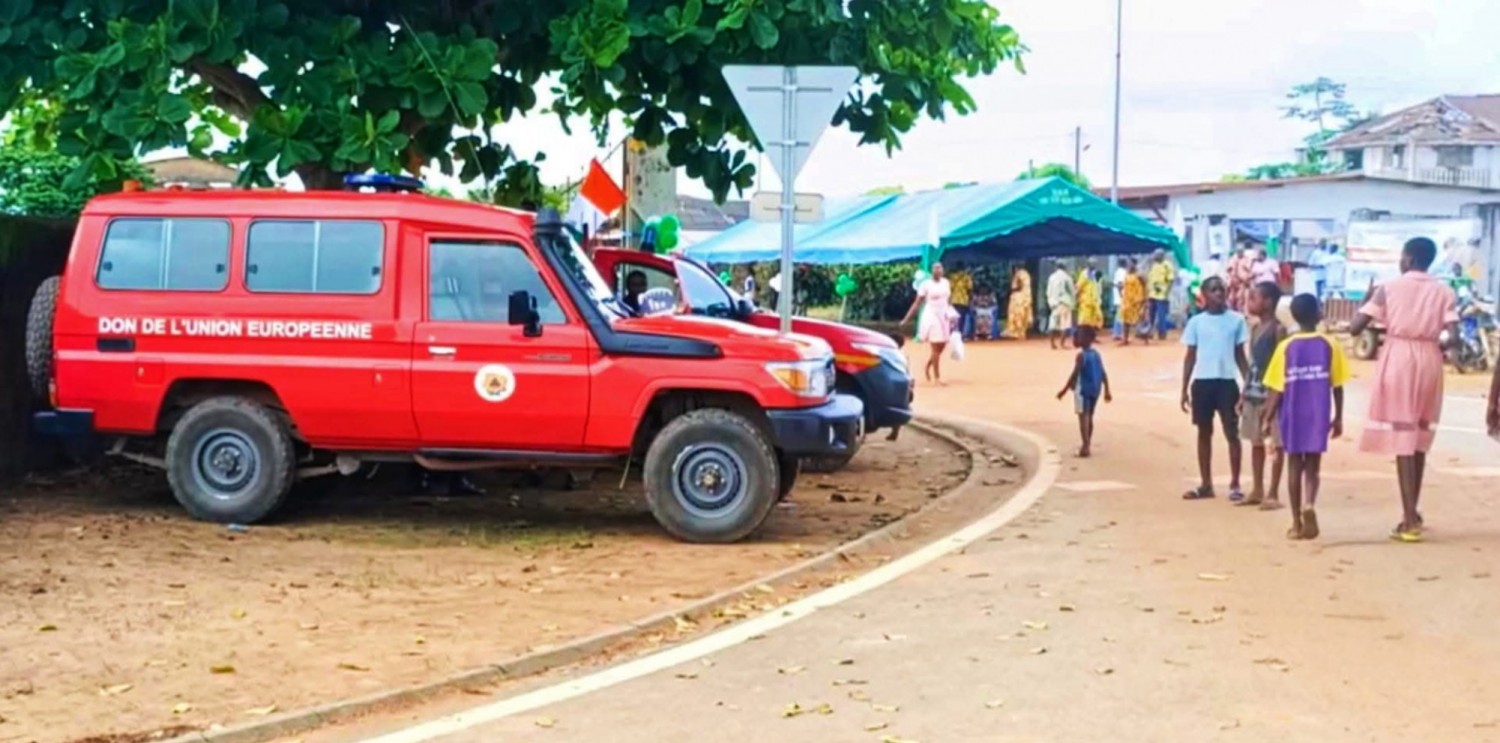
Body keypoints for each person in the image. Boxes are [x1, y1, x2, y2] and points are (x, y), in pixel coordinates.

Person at [1349, 237, 1459, 543]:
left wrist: (1365, 300)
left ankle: (1409, 518)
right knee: (1419, 438)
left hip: (1399, 356)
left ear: (1408, 258)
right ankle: (1413, 510)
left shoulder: (1388, 288)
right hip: (1429, 359)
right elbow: (1454, 335)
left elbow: (1356, 327)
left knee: (1402, 438)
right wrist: (1437, 344)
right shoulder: (1444, 291)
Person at [1263, 294, 1347, 540]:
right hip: (1318, 411)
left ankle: (1296, 522)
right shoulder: (1330, 344)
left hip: (1292, 411)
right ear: (1319, 313)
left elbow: (1277, 389)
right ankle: (1310, 503)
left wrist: (1267, 417)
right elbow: (1337, 385)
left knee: (1293, 464)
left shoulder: (1286, 347)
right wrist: (1338, 416)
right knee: (1312, 465)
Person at [1180, 276, 1251, 501]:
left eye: (1222, 289)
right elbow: (1189, 357)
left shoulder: (1236, 321)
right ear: (1204, 294)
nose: (1219, 294)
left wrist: (1248, 384)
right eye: (1213, 290)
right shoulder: (1196, 322)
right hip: (1202, 382)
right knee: (1204, 433)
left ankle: (1235, 483)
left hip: (1227, 382)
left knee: (1232, 433)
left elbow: (1241, 356)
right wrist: (1183, 389)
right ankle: (1206, 484)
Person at [1239, 281, 1287, 510]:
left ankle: (1273, 492)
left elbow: (1282, 366)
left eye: (1253, 298)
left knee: (1275, 444)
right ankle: (1257, 488)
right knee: (1256, 442)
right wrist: (1244, 392)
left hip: (1271, 395)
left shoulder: (1278, 330)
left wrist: (1274, 398)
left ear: (1268, 302)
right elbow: (1252, 364)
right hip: (1253, 393)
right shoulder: (1255, 328)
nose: (1250, 303)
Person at [1056, 325, 1112, 457]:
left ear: (1086, 339)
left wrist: (1064, 391)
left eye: (1077, 336)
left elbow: (1074, 374)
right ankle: (1087, 443)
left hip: (1083, 390)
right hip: (1095, 389)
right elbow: (1103, 373)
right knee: (1089, 417)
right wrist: (1107, 390)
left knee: (1083, 418)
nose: (1074, 338)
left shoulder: (1081, 356)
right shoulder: (1096, 354)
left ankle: (1085, 446)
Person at [901, 261, 955, 386]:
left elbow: (949, 300)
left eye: (940, 268)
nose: (938, 270)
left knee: (942, 345)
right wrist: (906, 319)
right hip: (931, 316)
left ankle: (929, 365)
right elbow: (917, 303)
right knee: (936, 346)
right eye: (935, 268)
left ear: (943, 270)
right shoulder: (926, 285)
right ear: (932, 271)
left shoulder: (946, 283)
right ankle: (937, 377)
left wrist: (952, 314)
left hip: (944, 315)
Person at [1046, 261, 1076, 349]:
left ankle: (1052, 344)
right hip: (1064, 302)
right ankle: (1062, 344)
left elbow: (1048, 291)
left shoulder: (1051, 277)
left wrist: (1050, 301)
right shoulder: (1067, 277)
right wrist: (1073, 302)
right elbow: (1072, 291)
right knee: (1064, 323)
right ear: (1065, 267)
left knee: (1053, 323)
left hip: (1053, 303)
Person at [1148, 249, 1175, 340]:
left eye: (1156, 255)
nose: (1154, 256)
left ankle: (1162, 333)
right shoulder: (1154, 265)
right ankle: (1149, 332)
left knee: (1161, 315)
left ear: (1161, 255)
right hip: (1152, 294)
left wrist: (1167, 293)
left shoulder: (1167, 265)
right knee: (1151, 314)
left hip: (1162, 294)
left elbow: (1171, 280)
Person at [1119, 259, 1147, 345]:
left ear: (1135, 265)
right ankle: (1125, 339)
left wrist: (1145, 300)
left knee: (1139, 320)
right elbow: (1124, 287)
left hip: (1137, 301)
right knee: (1125, 321)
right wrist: (1120, 290)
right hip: (1127, 302)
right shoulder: (1127, 275)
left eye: (1130, 264)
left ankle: (1145, 338)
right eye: (1127, 264)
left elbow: (1145, 286)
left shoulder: (1139, 275)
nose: (1128, 266)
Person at [1006, 264, 1034, 340]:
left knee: (1017, 315)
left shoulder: (1018, 274)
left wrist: (1012, 290)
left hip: (1019, 297)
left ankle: (1016, 333)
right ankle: (1022, 333)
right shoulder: (1026, 274)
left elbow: (1018, 286)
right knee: (1024, 315)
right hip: (1026, 297)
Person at [1076, 260, 1104, 330]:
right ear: (1088, 265)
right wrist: (1076, 297)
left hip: (1094, 301)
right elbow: (1079, 287)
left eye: (1094, 264)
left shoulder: (1095, 274)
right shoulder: (1084, 274)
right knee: (1084, 320)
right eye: (1092, 264)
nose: (1094, 265)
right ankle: (1082, 337)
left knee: (1095, 319)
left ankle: (1092, 337)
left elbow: (1097, 286)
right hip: (1086, 301)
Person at [950, 263, 974, 340]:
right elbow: (970, 289)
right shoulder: (966, 277)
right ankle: (959, 334)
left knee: (953, 318)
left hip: (953, 300)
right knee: (962, 318)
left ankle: (952, 333)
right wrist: (971, 299)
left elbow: (950, 288)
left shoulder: (952, 277)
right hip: (963, 300)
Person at [1111, 260, 1129, 339]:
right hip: (1121, 296)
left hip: (1118, 296)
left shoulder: (1118, 271)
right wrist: (1121, 296)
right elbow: (1120, 285)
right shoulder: (1122, 272)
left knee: (1118, 315)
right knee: (1121, 315)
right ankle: (1119, 333)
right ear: (1124, 264)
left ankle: (1116, 333)